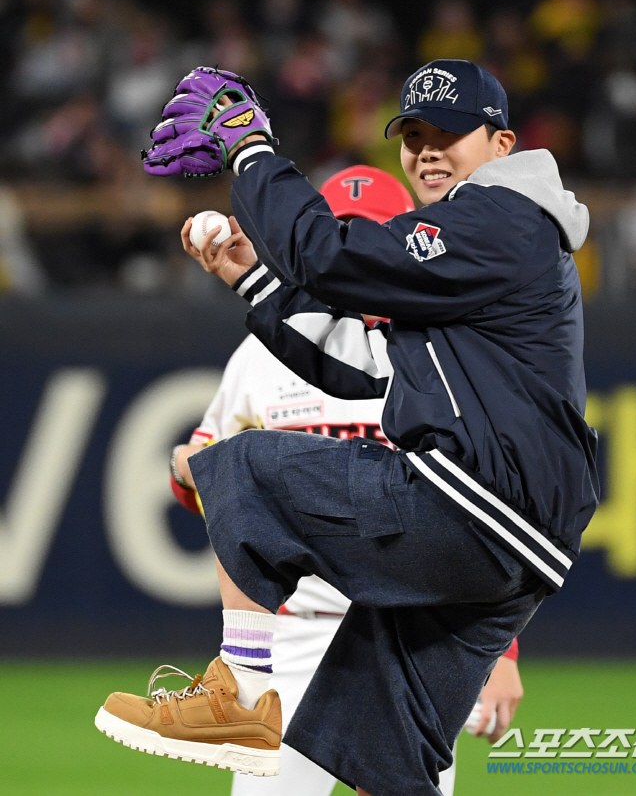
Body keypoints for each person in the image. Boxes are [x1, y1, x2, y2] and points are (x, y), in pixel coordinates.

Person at [97, 60, 598, 796]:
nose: (429, 149)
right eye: (415, 135)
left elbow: (327, 255)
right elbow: (368, 364)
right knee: (384, 762)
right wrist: (252, 279)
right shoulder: (489, 243)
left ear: (501, 144)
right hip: (512, 544)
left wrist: (250, 147)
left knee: (243, 468)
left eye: (450, 133)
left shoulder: (500, 217)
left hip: (481, 504)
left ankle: (234, 691)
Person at [168, 165, 523, 796]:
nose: (355, 253)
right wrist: (192, 470)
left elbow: (489, 516)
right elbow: (208, 481)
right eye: (343, 234)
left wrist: (501, 653)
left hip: (406, 632)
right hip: (294, 632)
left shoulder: (438, 353)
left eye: (374, 234)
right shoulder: (262, 351)